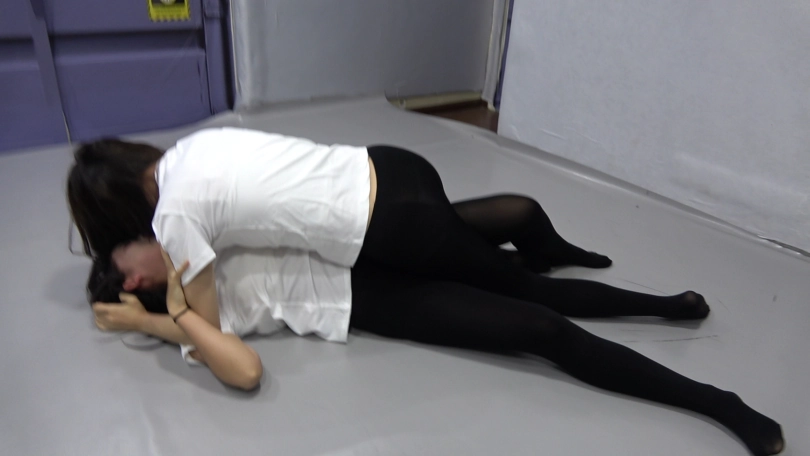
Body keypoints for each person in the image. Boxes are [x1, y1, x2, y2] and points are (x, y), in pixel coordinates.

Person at [68, 127, 784, 455]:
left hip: (373, 236)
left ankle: (662, 314)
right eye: (129, 249)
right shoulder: (190, 184)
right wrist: (157, 320)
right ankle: (707, 381)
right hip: (366, 272)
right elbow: (238, 362)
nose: (146, 239)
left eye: (127, 236)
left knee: (522, 288)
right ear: (132, 280)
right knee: (537, 323)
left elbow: (220, 253)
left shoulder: (182, 224)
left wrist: (169, 304)